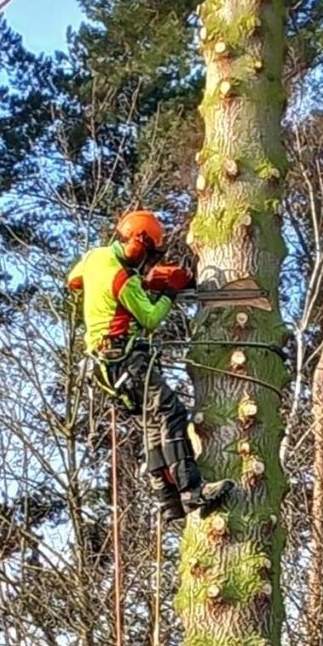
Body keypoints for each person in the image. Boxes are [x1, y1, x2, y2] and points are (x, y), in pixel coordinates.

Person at [67, 209, 235, 522]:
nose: (149, 262)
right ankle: (191, 490)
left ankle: (167, 499)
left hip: (105, 366)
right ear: (138, 243)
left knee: (153, 423)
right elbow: (151, 318)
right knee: (170, 411)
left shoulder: (95, 257)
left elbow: (74, 280)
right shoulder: (123, 279)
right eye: (150, 255)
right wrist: (168, 292)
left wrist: (143, 285)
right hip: (125, 358)